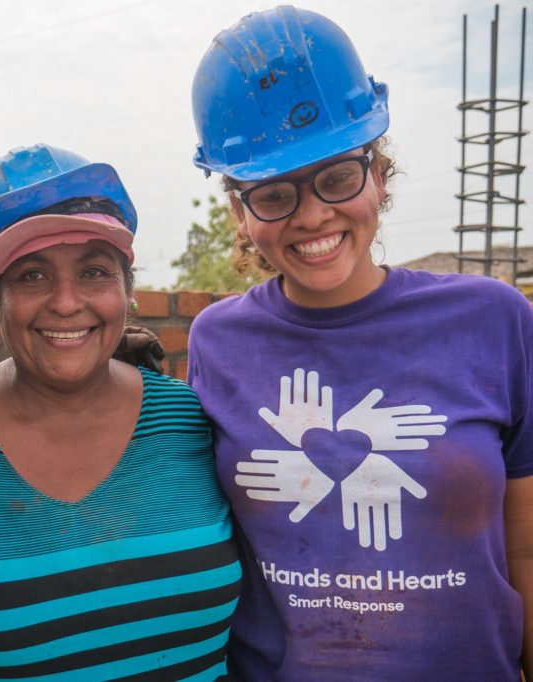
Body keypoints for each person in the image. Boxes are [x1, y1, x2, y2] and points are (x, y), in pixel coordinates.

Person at [186, 6, 533, 680]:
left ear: (379, 171)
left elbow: (527, 549)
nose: (313, 213)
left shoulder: (494, 320)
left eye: (338, 176)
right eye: (273, 193)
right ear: (238, 210)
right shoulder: (218, 342)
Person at [0, 143, 241, 681]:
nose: (66, 302)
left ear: (127, 290)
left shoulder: (192, 422)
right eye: (32, 276)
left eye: (94, 272)